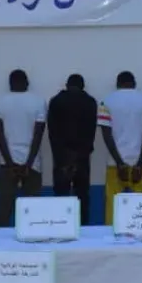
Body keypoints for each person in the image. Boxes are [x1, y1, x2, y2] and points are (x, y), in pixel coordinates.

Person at [98, 71, 142, 225]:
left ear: (117, 84)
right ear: (134, 83)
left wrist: (119, 163)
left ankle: (112, 237)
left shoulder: (106, 101)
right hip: (141, 164)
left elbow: (106, 134)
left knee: (113, 207)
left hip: (115, 164)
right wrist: (140, 164)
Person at [0, 69, 47, 226]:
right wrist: (28, 163)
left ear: (10, 83)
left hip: (6, 164)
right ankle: (32, 239)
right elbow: (38, 134)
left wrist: (10, 164)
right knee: (33, 211)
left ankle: (0, 239)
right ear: (27, 83)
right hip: (33, 164)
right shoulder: (39, 102)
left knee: (4, 209)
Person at [47, 74, 97, 224]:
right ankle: (83, 229)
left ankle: (60, 226)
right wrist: (80, 155)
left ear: (67, 85)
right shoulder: (90, 102)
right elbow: (91, 132)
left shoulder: (56, 101)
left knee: (61, 196)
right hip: (82, 158)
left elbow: (52, 132)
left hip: (62, 158)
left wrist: (62, 156)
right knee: (82, 196)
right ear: (83, 86)